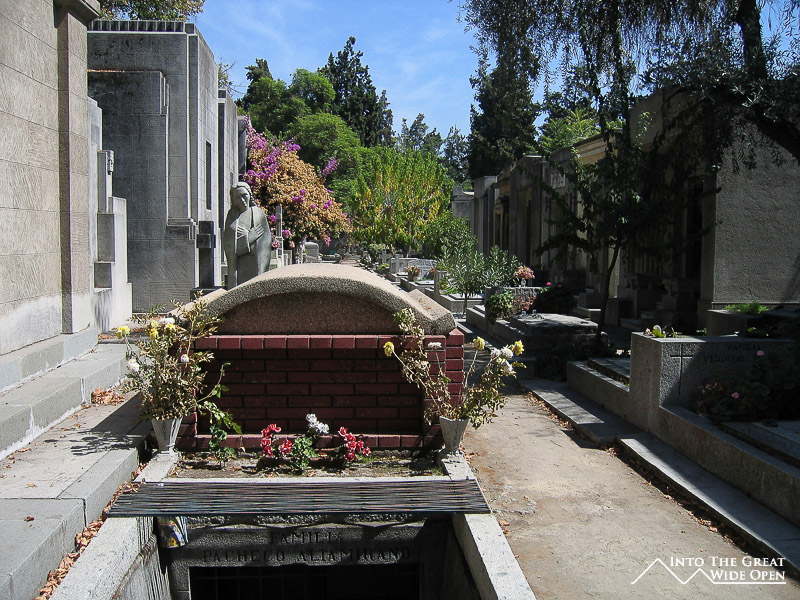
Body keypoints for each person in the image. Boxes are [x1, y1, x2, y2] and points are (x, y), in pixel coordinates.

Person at [222, 182, 272, 287]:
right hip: (239, 270)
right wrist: (248, 239)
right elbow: (229, 248)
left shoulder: (258, 214)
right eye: (237, 197)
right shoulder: (232, 217)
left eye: (244, 195)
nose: (242, 200)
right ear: (233, 199)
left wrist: (249, 242)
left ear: (249, 195)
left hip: (255, 267)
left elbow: (265, 246)